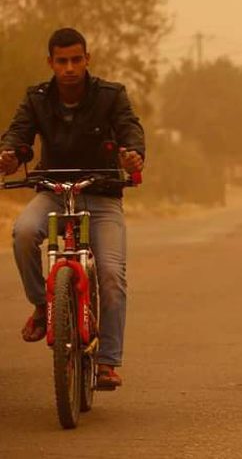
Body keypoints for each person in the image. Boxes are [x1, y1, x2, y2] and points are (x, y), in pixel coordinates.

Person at [0, 27, 145, 389]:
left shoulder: (111, 96)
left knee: (112, 274)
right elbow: (19, 135)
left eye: (76, 60)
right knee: (22, 233)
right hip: (52, 192)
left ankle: (108, 362)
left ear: (87, 60)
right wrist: (10, 156)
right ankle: (41, 306)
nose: (69, 68)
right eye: (61, 61)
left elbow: (130, 129)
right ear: (50, 62)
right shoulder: (36, 97)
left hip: (101, 196)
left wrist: (133, 155)